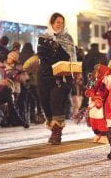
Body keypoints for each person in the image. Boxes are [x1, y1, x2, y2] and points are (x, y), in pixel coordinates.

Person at [37, 12, 75, 145]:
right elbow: (41, 55)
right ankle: (53, 128)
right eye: (58, 22)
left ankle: (57, 133)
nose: (60, 24)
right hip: (45, 76)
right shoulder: (43, 37)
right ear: (52, 23)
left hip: (61, 76)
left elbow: (71, 57)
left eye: (62, 22)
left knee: (56, 101)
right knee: (46, 103)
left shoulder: (68, 38)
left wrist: (72, 75)